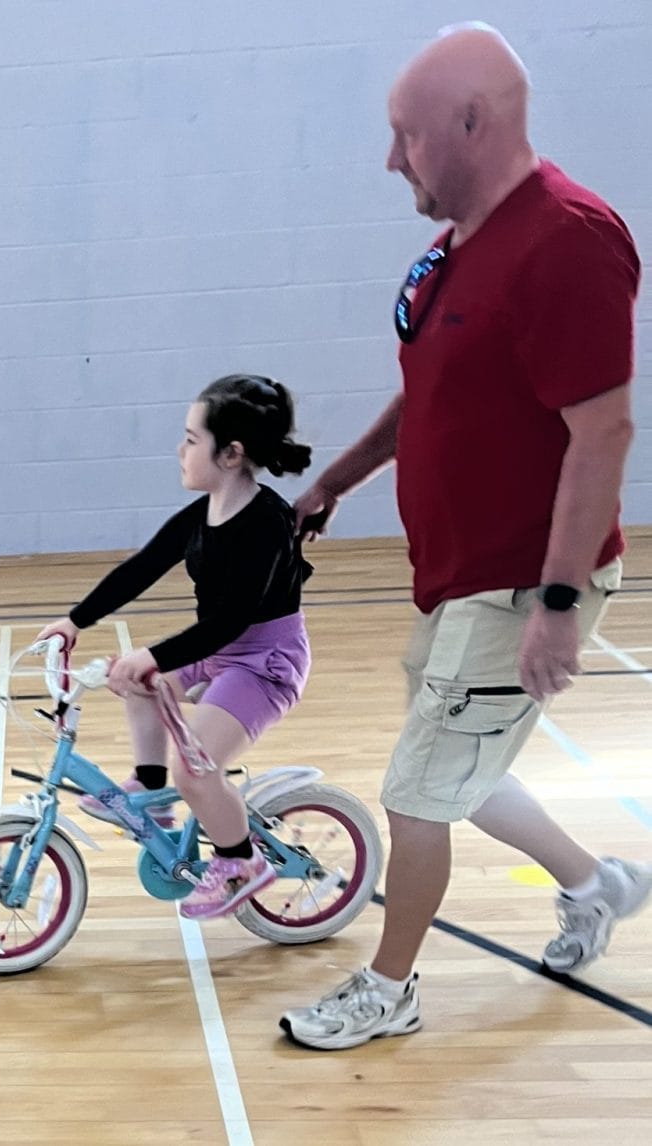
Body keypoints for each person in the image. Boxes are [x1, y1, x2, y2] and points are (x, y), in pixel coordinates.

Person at [279, 23, 650, 1051]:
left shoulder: (569, 241)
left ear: (473, 123)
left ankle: (390, 989)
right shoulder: (454, 250)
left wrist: (561, 607)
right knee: (453, 769)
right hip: (455, 577)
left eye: (405, 136)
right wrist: (336, 482)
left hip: (523, 586)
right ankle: (597, 883)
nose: (391, 159)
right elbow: (427, 394)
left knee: (417, 792)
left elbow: (603, 430)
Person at [36, 373, 314, 920]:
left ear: (231, 454)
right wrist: (75, 621)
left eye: (191, 439)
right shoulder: (203, 513)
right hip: (222, 649)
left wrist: (157, 655)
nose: (180, 450)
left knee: (197, 767)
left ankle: (240, 861)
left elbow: (232, 619)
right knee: (135, 678)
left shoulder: (265, 524)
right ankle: (154, 791)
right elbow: (140, 568)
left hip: (264, 663)